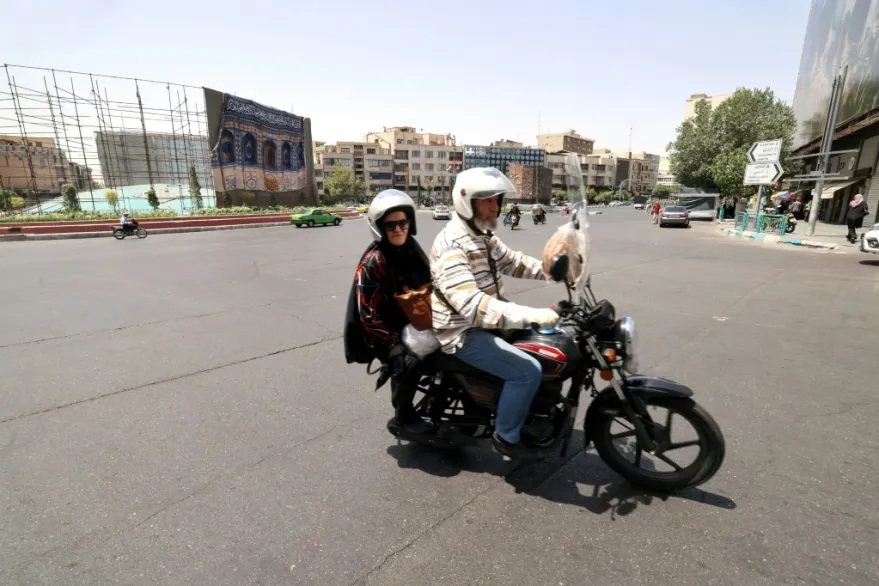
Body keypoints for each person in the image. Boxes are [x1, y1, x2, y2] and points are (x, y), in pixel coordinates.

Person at [430, 167, 560, 461]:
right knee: (527, 371)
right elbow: (472, 304)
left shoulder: (481, 234)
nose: (495, 207)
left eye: (497, 199)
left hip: (484, 322)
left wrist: (556, 272)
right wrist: (529, 314)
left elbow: (513, 262)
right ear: (468, 202)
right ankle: (507, 436)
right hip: (462, 331)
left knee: (548, 345)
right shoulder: (453, 244)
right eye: (487, 200)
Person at [345, 189, 434, 435]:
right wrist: (393, 342)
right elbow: (367, 314)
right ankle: (402, 418)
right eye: (391, 224)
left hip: (414, 321)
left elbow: (431, 281)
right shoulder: (375, 260)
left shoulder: (411, 249)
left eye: (402, 223)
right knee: (407, 361)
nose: (398, 229)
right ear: (380, 227)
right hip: (383, 331)